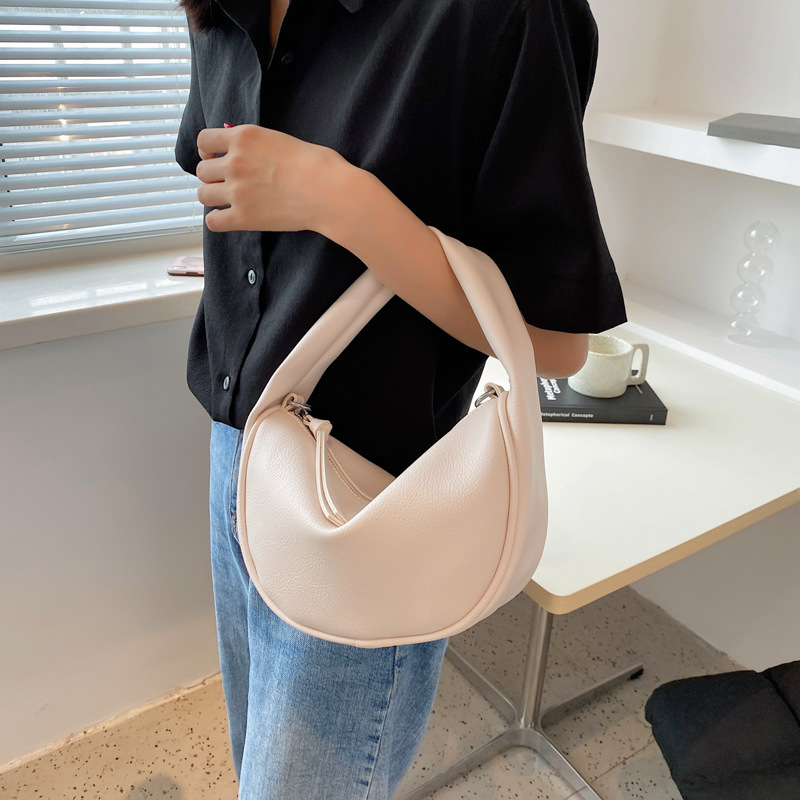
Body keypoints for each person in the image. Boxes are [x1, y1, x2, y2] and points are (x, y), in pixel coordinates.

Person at [174, 0, 626, 797]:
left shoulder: (505, 14)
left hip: (369, 507)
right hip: (234, 451)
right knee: (256, 769)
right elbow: (226, 186)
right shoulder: (223, 8)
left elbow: (556, 343)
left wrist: (341, 200)